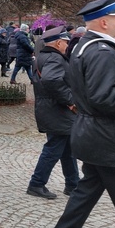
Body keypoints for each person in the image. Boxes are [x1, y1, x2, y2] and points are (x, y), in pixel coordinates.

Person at [48, 0, 115, 228]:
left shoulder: (83, 45)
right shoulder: (101, 51)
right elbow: (103, 96)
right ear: (104, 22)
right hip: (106, 136)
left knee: (88, 189)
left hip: (92, 131)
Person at [26, 27, 79, 199]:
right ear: (58, 42)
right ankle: (36, 184)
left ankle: (73, 184)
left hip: (53, 109)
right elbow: (51, 80)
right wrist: (70, 100)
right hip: (57, 111)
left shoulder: (44, 56)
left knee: (67, 149)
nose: (67, 45)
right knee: (54, 149)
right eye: (66, 42)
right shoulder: (55, 58)